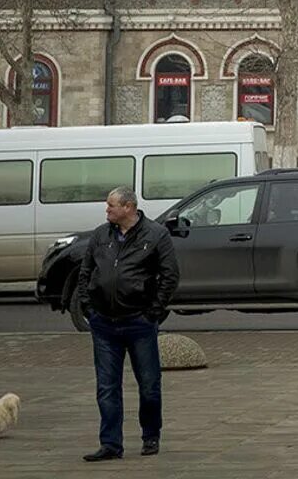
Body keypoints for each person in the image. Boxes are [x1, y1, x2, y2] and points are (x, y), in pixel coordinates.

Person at [76, 186, 179, 462]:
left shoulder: (156, 235)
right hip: (104, 324)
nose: (107, 210)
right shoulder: (101, 235)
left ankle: (150, 435)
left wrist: (152, 312)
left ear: (129, 208)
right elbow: (85, 273)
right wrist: (88, 307)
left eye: (111, 205)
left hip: (139, 322)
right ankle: (110, 443)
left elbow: (169, 277)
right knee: (107, 387)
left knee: (148, 383)